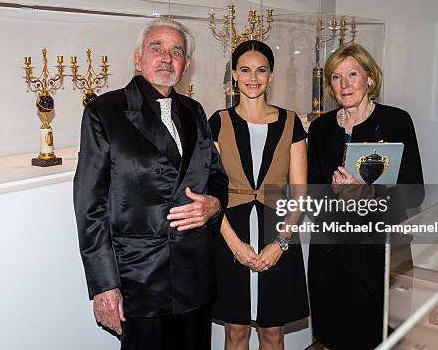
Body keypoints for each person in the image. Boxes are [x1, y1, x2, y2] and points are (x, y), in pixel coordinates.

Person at [73, 18, 229, 350]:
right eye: (156, 47)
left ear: (186, 65)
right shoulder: (105, 112)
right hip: (139, 280)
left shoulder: (195, 111)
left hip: (195, 276)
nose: (166, 57)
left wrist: (214, 205)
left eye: (176, 51)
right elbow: (90, 206)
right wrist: (104, 286)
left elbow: (216, 177)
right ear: (138, 57)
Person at [306, 42, 423, 349]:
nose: (344, 84)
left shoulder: (397, 121)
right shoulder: (319, 130)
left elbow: (414, 193)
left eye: (352, 74)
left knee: (382, 336)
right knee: (333, 335)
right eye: (335, 77)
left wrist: (367, 192)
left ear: (370, 78)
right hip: (331, 254)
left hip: (380, 252)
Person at [209, 40, 309, 350]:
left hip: (277, 232)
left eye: (261, 70)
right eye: (245, 70)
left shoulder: (291, 122)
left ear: (271, 76)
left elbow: (300, 194)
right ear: (234, 75)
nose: (254, 77)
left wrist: (280, 244)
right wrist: (235, 246)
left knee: (272, 333)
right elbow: (208, 192)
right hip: (229, 234)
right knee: (235, 332)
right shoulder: (217, 122)